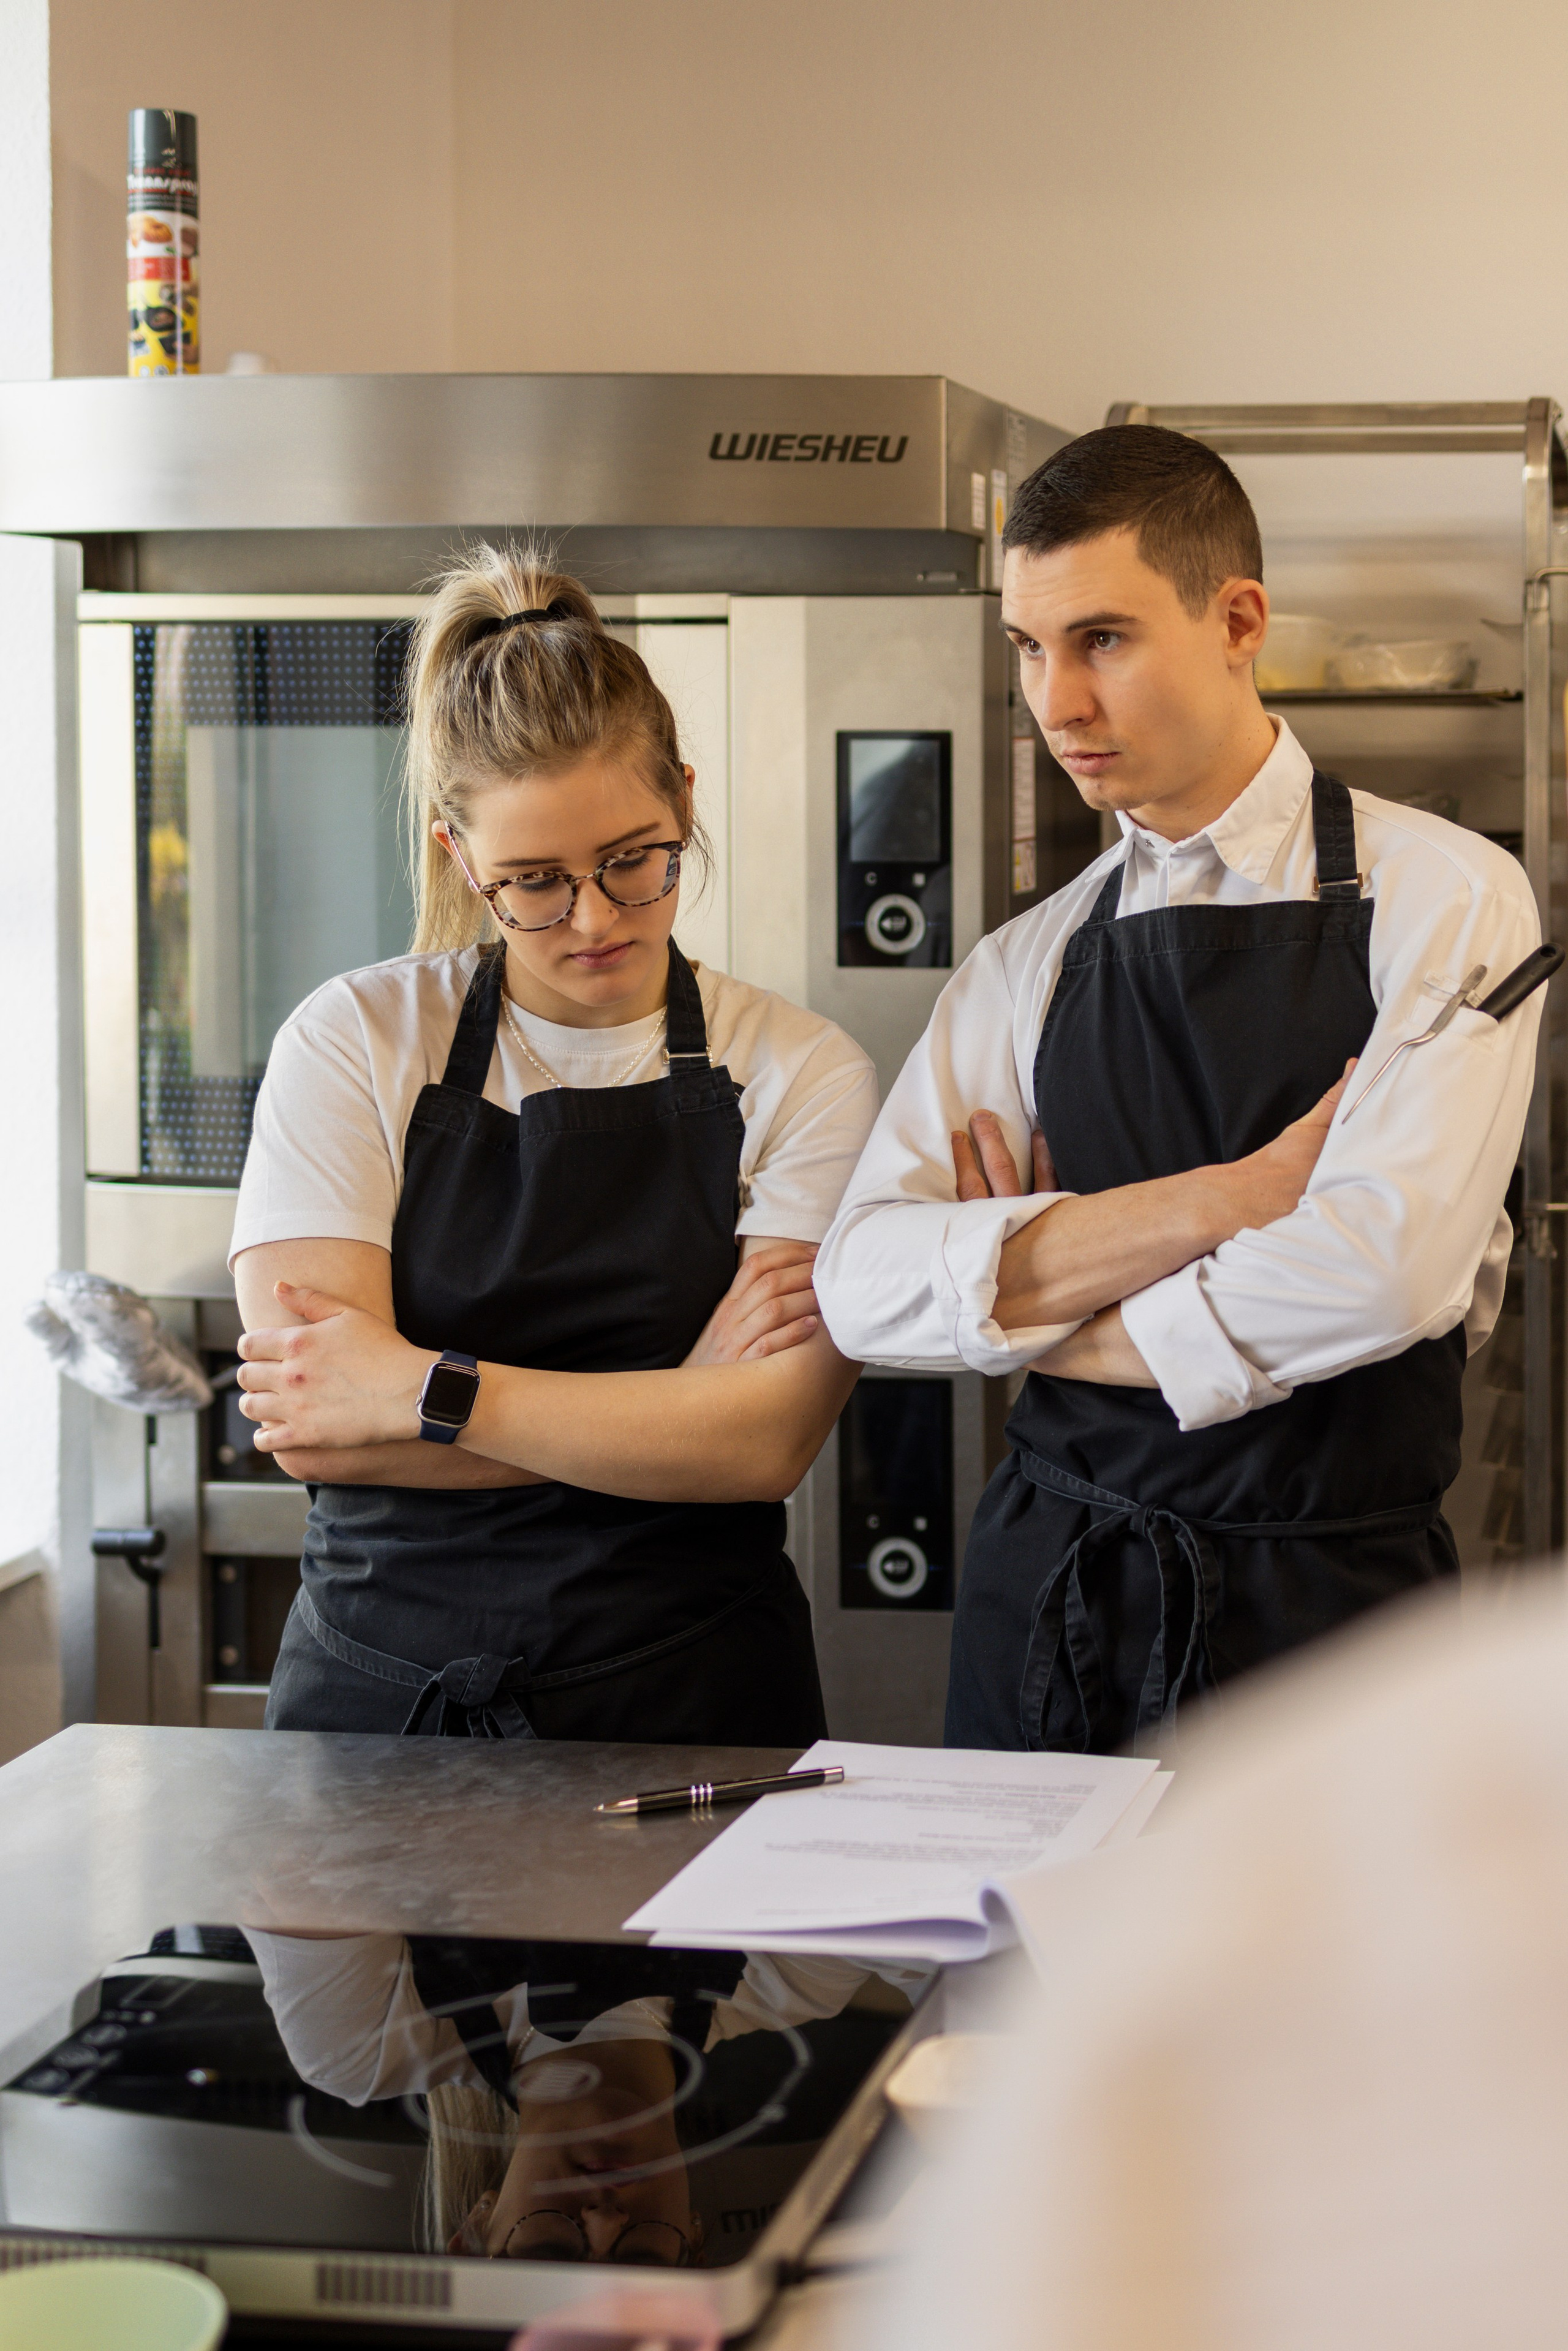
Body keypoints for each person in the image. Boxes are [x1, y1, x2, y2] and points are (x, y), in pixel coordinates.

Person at [813, 425, 1542, 1754]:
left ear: (1237, 620)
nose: (1055, 703)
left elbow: (1377, 1274)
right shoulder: (1021, 960)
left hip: (1332, 1628)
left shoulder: (1441, 897)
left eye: (1100, 638)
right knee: (1023, 1972)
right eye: (1027, 647)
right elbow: (859, 1286)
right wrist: (1240, 1197)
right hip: (1047, 1602)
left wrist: (1032, 1309)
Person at [231, 546, 874, 1743]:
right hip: (378, 1700)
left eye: (634, 859)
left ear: (682, 798)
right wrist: (671, 1410)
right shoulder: (357, 1037)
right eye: (532, 881)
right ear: (458, 859)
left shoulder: (804, 1069)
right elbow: (315, 1425)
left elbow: (764, 1440)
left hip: (688, 1695)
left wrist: (419, 1388)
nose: (593, 919)